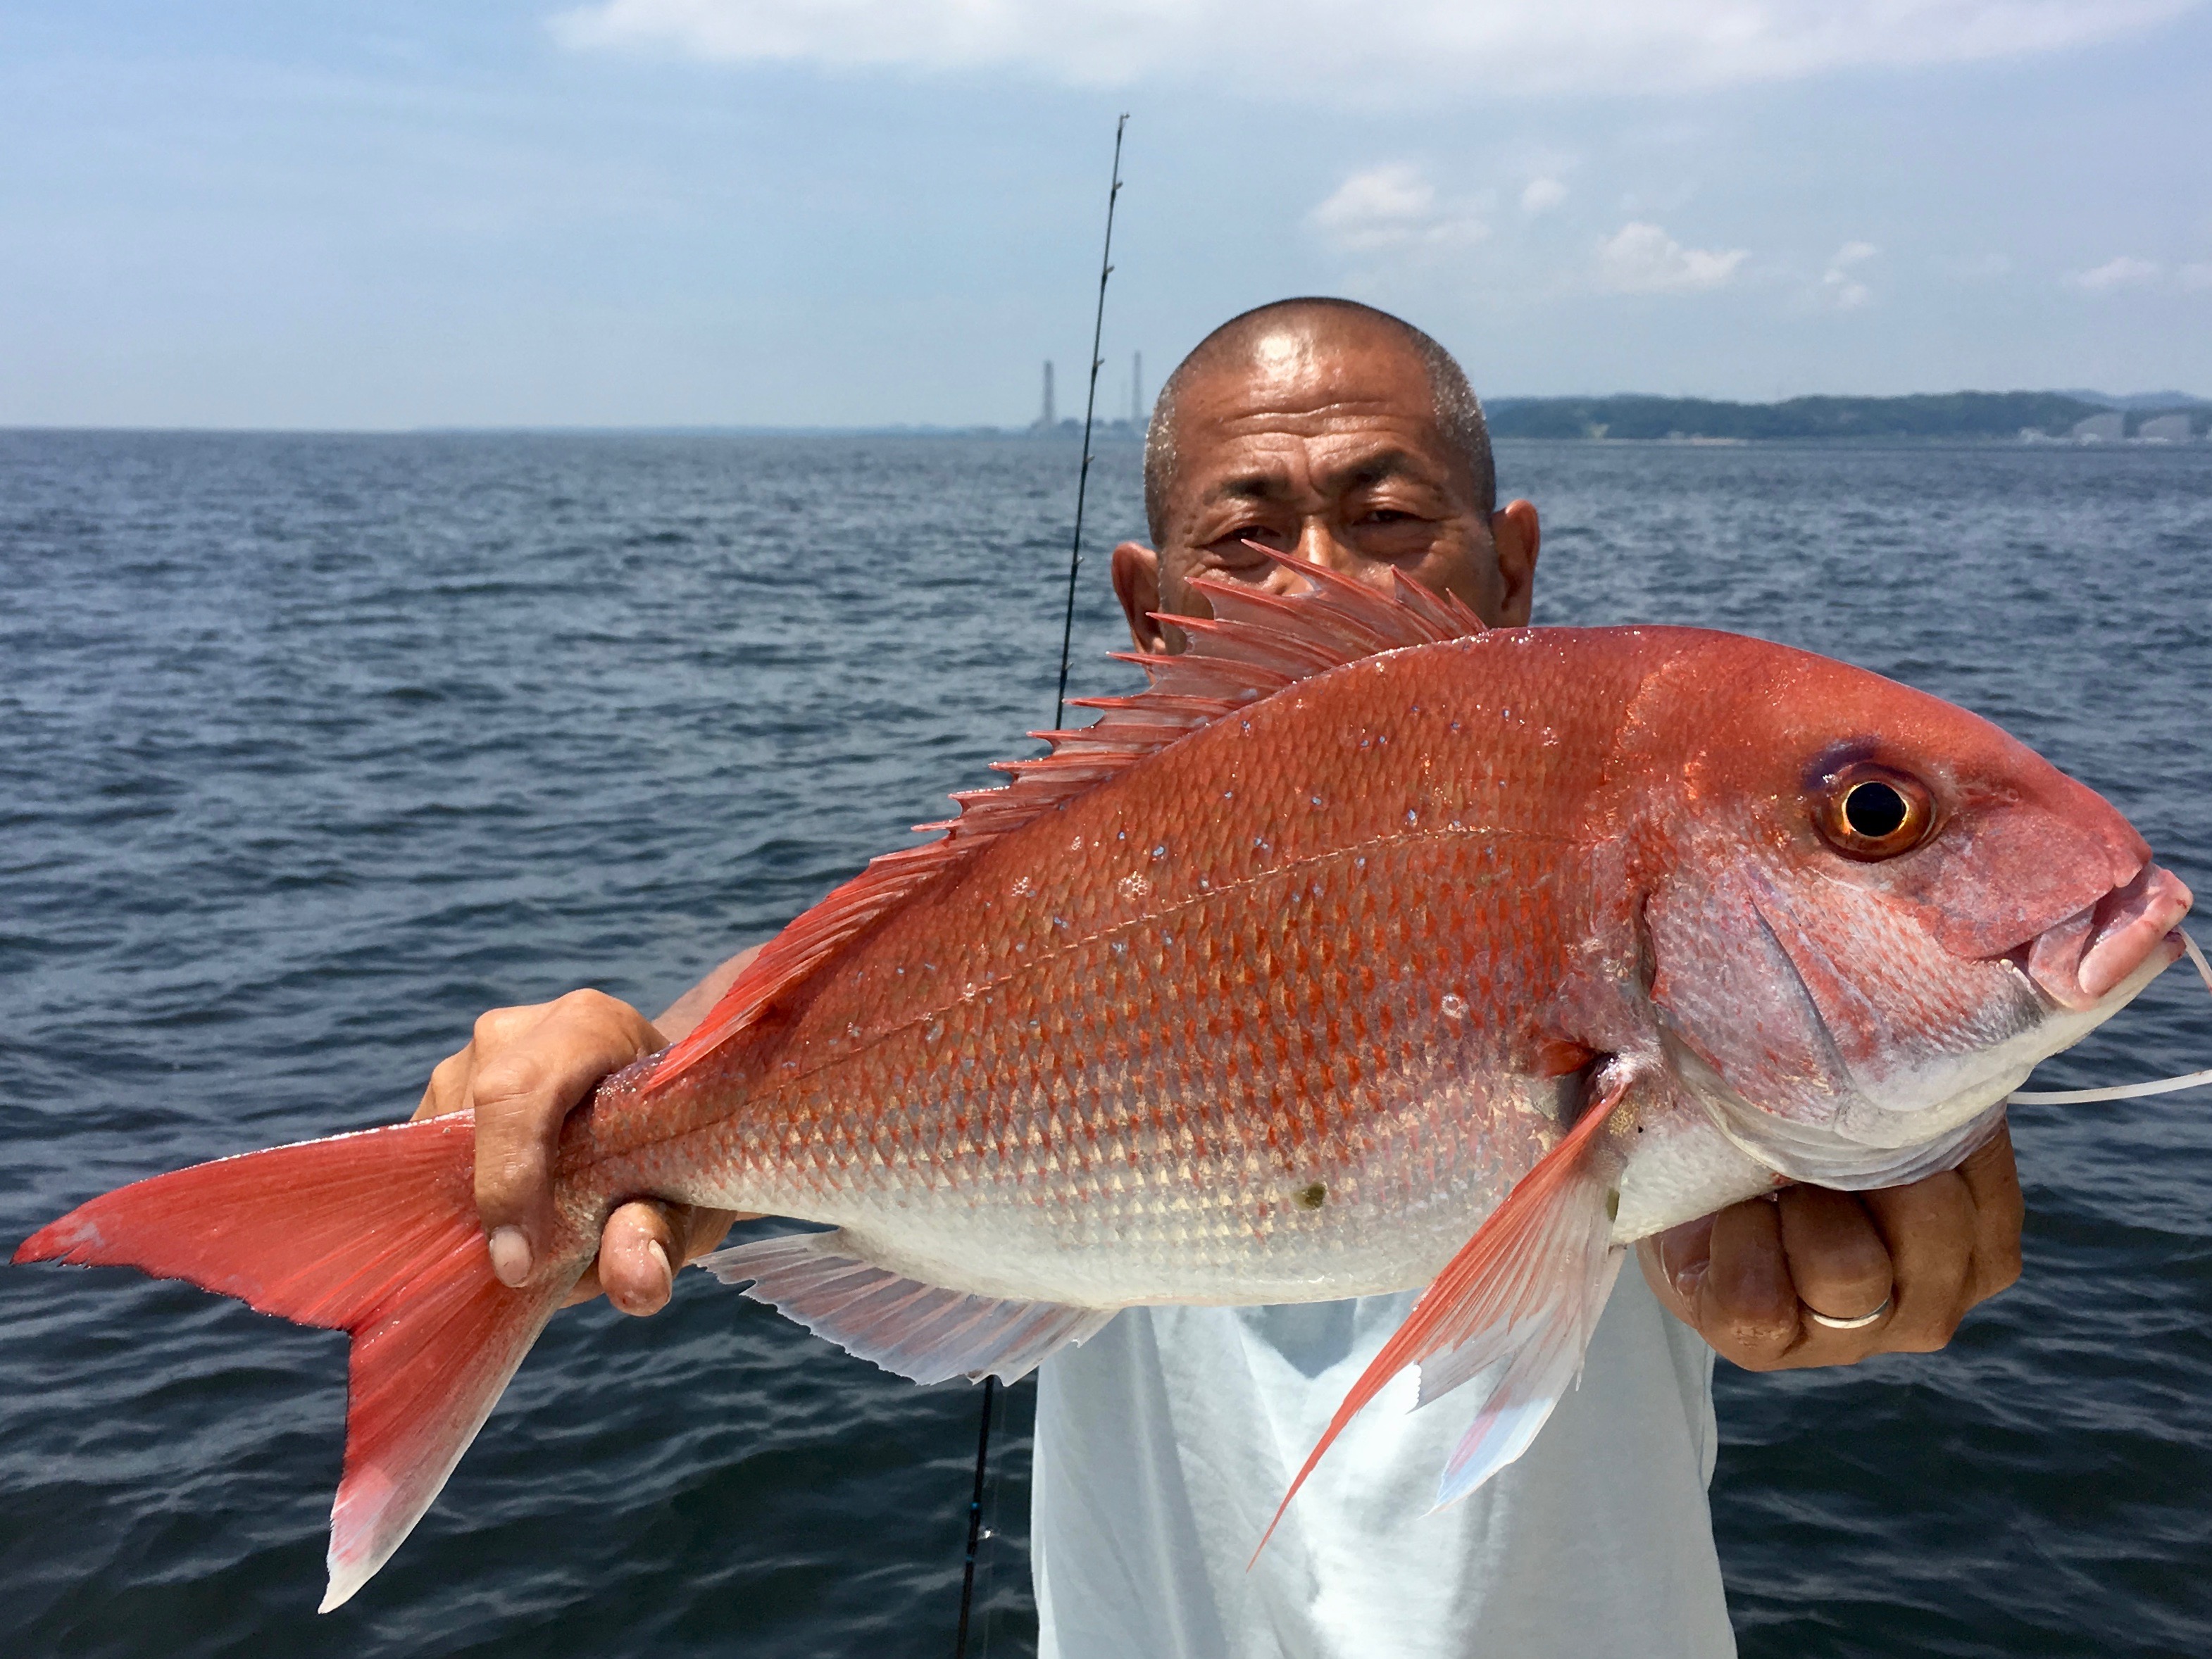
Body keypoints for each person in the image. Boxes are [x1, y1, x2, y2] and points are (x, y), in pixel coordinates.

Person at [414, 299, 2025, 1655]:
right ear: (1147, 606)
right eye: (1245, 535)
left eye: (1385, 518)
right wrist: (608, 1084)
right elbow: (822, 1008)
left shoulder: (1635, 844)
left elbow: (1821, 1090)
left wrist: (1891, 1197)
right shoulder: (1076, 874)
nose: (1318, 573)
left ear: (1511, 563)